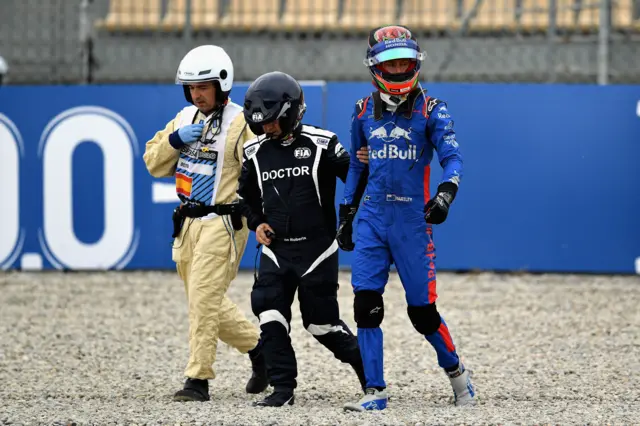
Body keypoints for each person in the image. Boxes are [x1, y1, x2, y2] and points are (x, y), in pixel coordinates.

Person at [337, 25, 477, 411]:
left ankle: (458, 374)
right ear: (374, 67)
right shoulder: (362, 112)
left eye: (405, 63)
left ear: (416, 64)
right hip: (372, 219)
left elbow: (453, 158)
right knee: (365, 303)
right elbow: (357, 166)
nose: (399, 70)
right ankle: (375, 392)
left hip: (413, 224)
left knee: (422, 313)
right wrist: (346, 212)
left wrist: (446, 195)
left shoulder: (433, 109)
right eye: (391, 64)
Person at [143, 45, 268, 402]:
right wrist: (173, 141)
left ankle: (198, 380)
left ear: (222, 85)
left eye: (204, 86)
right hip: (187, 223)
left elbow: (262, 169)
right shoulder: (183, 120)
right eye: (191, 88)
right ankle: (263, 353)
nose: (196, 94)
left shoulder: (243, 122)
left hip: (225, 221)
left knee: (202, 297)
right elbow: (153, 163)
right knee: (204, 301)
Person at [237, 71, 367, 407]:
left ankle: (371, 376)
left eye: (273, 122)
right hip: (276, 250)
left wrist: (364, 167)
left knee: (321, 325)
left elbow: (355, 179)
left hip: (318, 251)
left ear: (293, 112)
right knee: (269, 314)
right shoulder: (253, 152)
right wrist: (257, 222)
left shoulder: (323, 144)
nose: (267, 128)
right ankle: (282, 390)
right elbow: (244, 197)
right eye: (261, 123)